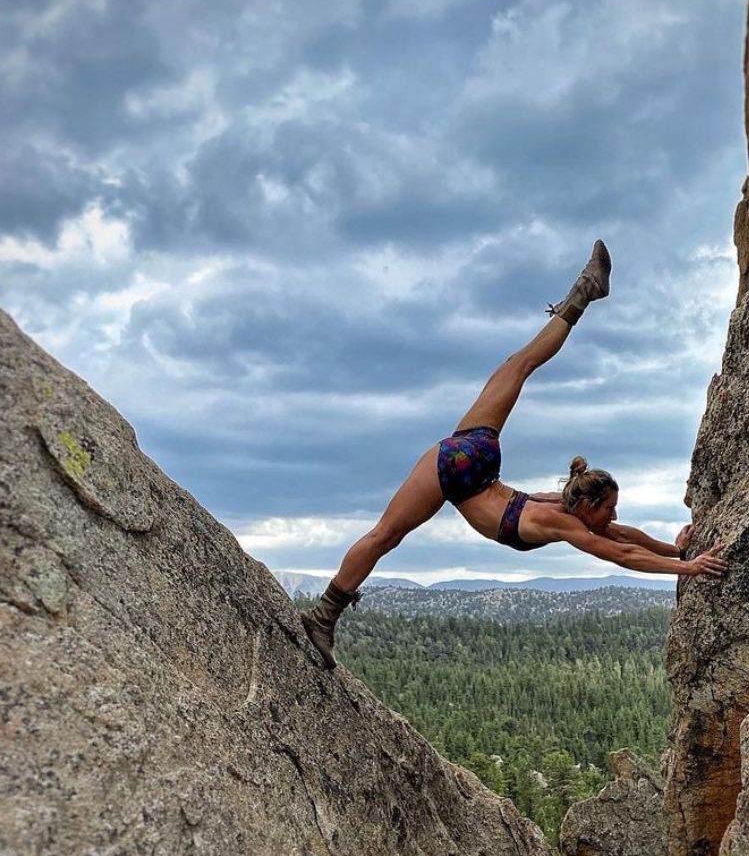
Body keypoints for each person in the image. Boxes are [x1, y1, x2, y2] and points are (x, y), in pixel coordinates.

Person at [302, 240, 727, 667]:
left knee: (519, 366)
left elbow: (622, 536)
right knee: (385, 536)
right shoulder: (561, 522)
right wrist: (689, 569)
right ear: (588, 505)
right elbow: (622, 553)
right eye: (610, 508)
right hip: (460, 474)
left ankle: (581, 295)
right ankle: (323, 617)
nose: (614, 517)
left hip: (475, 453)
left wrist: (678, 552)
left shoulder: (567, 505)